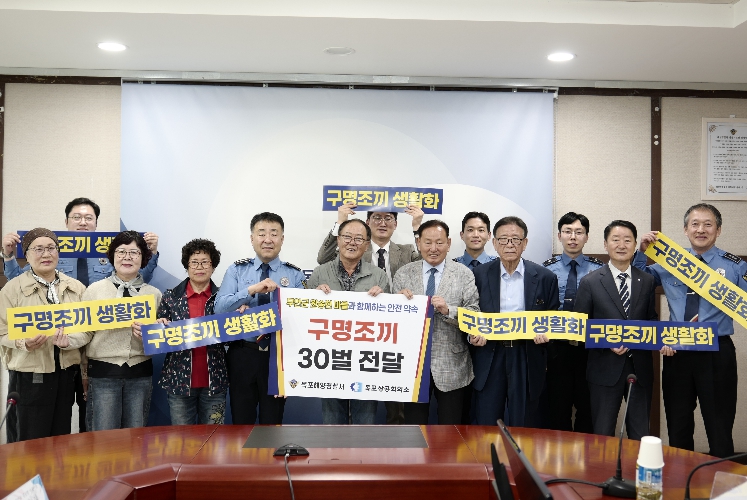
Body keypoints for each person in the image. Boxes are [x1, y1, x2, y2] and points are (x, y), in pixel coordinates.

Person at [2, 197, 160, 433]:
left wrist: (151, 253)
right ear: (66, 222)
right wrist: (8, 256)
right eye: (76, 217)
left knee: (82, 413)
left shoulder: (108, 259)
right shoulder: (52, 255)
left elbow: (134, 283)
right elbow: (20, 283)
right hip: (65, 345)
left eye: (89, 218)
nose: (83, 222)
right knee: (48, 421)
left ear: (96, 223)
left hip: (96, 347)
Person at [635, 203, 746, 457]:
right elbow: (639, 282)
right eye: (695, 224)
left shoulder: (735, 266)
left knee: (719, 427)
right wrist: (642, 252)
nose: (701, 229)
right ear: (685, 230)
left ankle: (722, 481)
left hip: (717, 352)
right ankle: (681, 480)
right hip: (677, 352)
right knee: (678, 425)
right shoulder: (672, 261)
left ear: (718, 230)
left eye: (708, 224)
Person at [317, 202, 423, 425]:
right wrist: (340, 222)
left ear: (395, 224)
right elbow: (323, 258)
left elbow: (425, 263)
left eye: (388, 218)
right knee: (333, 416)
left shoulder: (404, 252)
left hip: (384, 339)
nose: (382, 223)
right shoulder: (352, 252)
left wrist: (417, 228)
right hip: (338, 344)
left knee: (384, 411)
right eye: (377, 218)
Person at [214, 212, 306, 425]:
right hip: (242, 354)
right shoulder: (237, 271)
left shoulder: (294, 275)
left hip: (278, 356)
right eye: (262, 233)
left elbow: (302, 318)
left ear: (282, 239)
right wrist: (250, 291)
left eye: (274, 234)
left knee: (272, 423)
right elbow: (219, 308)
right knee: (241, 422)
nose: (268, 239)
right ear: (252, 238)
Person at [66, 231, 162, 431]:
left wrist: (153, 333)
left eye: (134, 252)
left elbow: (160, 341)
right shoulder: (95, 290)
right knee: (104, 437)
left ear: (143, 258)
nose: (127, 257)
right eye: (121, 252)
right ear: (112, 256)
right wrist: (67, 341)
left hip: (140, 374)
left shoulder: (153, 294)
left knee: (135, 435)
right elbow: (84, 332)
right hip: (103, 374)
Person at [0, 229, 87, 442]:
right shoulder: (12, 289)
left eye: (51, 248)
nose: (46, 254)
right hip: (29, 373)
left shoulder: (76, 287)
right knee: (29, 439)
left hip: (66, 373)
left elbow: (88, 330)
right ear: (27, 255)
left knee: (60, 438)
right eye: (38, 249)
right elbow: (2, 331)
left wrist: (70, 342)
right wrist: (23, 342)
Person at [471, 216, 559, 427]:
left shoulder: (545, 277)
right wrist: (472, 334)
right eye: (503, 239)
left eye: (515, 239)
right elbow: (469, 312)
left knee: (525, 422)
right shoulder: (478, 275)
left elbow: (553, 317)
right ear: (494, 243)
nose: (509, 244)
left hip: (526, 354)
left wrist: (548, 336)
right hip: (490, 354)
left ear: (525, 243)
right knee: (487, 421)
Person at [393, 220, 482, 424]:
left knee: (451, 429)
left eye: (439, 243)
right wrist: (397, 304)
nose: (433, 248)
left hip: (452, 364)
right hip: (413, 365)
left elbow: (474, 314)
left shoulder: (463, 274)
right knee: (414, 428)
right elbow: (394, 322)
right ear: (418, 243)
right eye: (428, 242)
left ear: (449, 243)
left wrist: (449, 310)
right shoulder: (404, 274)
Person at [575, 220, 656, 441]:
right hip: (604, 368)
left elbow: (651, 320)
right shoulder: (590, 282)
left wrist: (658, 339)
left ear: (635, 244)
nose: (622, 245)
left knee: (640, 434)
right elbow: (579, 327)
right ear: (605, 244)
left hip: (639, 369)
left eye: (627, 240)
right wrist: (606, 341)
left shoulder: (647, 280)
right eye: (615, 240)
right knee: (603, 434)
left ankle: (637, 466)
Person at [309, 218, 390, 424]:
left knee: (365, 422)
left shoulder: (379, 276)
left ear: (367, 245)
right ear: (338, 240)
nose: (352, 242)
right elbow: (305, 318)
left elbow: (389, 321)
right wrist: (313, 298)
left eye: (359, 239)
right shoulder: (320, 273)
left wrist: (384, 300)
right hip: (330, 360)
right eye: (347, 237)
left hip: (366, 360)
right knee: (332, 422)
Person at [156, 239, 227, 425]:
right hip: (179, 383)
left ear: (213, 266)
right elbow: (159, 337)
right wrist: (159, 325)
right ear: (186, 266)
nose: (199, 267)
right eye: (194, 262)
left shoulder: (224, 298)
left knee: (215, 436)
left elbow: (231, 337)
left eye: (205, 262)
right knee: (182, 438)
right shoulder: (171, 297)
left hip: (215, 383)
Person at [542, 212, 602, 433]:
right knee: (557, 409)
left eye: (579, 232)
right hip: (557, 348)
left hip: (590, 349)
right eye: (567, 232)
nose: (573, 237)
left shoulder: (599, 270)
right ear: (559, 236)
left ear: (586, 237)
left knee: (588, 409)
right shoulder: (546, 269)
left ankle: (586, 454)